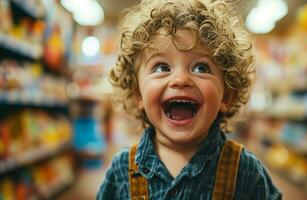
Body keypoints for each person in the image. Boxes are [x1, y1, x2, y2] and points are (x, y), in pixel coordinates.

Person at [97, 0, 281, 199]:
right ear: (138, 94)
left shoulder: (245, 171)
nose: (180, 79)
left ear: (227, 96)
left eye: (201, 68)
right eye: (162, 68)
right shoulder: (122, 169)